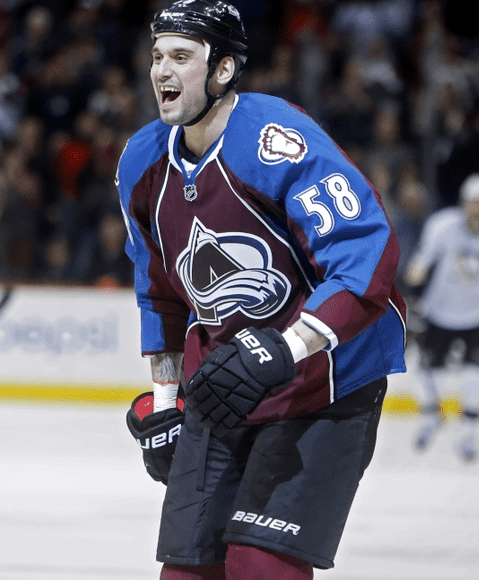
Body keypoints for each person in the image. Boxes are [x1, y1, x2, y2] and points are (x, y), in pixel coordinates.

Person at [117, 2, 407, 578]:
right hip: (222, 385)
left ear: (223, 69)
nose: (162, 71)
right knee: (187, 572)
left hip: (325, 385)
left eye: (181, 56)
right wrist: (166, 404)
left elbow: (366, 256)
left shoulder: (275, 138)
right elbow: (159, 292)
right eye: (157, 56)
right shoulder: (141, 161)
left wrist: (287, 348)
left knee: (260, 567)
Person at [404, 173, 479, 462]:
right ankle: (430, 418)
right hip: (439, 311)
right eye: (474, 203)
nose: (478, 210)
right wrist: (415, 308)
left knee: (477, 374)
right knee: (429, 370)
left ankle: (469, 432)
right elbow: (418, 270)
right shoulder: (441, 226)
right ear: (463, 203)